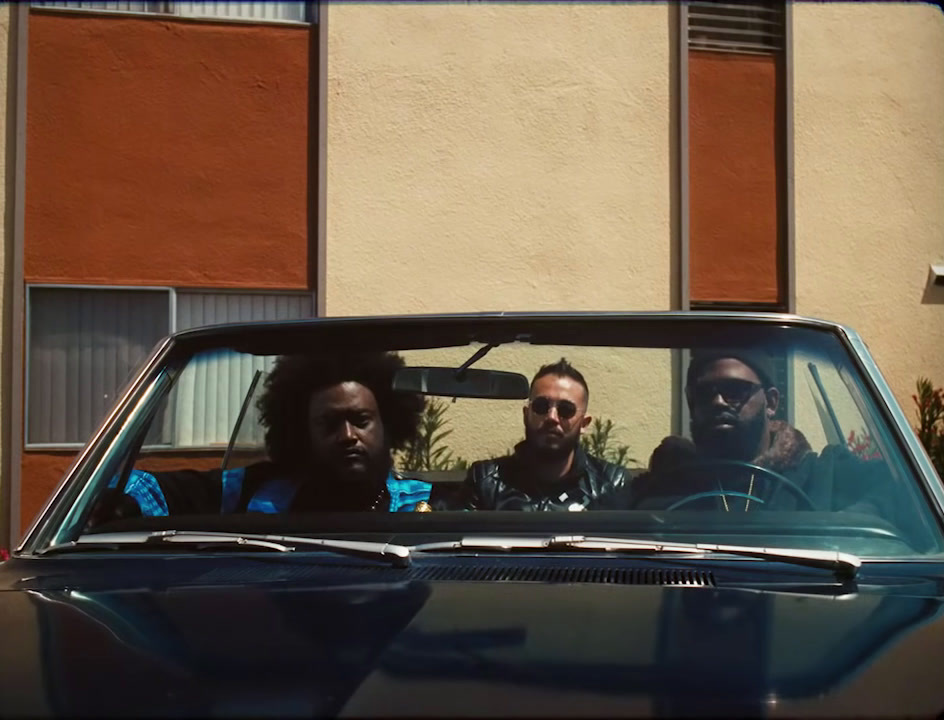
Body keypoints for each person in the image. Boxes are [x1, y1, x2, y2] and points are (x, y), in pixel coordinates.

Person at [89, 351, 432, 521]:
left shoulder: (426, 503)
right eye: (328, 423)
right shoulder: (251, 491)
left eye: (360, 420)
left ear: (388, 425)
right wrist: (117, 503)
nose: (347, 436)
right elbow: (139, 486)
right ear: (301, 433)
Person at [627, 348, 891, 513]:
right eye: (704, 393)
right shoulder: (663, 484)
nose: (718, 401)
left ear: (772, 402)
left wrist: (857, 522)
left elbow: (904, 498)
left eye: (735, 391)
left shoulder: (823, 475)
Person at [443, 358, 629, 511]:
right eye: (541, 406)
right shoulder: (486, 481)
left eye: (566, 409)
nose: (552, 417)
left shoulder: (611, 485)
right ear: (526, 415)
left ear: (584, 424)